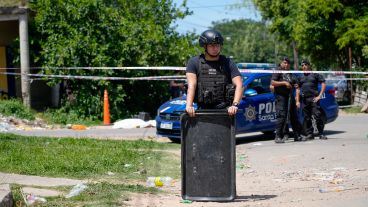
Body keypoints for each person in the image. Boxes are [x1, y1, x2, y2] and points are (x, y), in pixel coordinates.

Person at [185, 29, 243, 117]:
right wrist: (189, 106)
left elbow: (239, 84)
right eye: (212, 45)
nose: (215, 48)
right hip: (202, 110)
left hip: (225, 111)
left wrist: (234, 105)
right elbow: (191, 86)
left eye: (217, 45)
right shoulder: (194, 62)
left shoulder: (228, 62)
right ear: (204, 46)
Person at [271, 57, 305, 143]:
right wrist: (284, 83)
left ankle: (297, 135)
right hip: (281, 97)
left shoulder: (290, 73)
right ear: (281, 63)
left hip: (290, 97)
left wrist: (297, 100)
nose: (286, 64)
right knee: (282, 116)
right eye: (284, 63)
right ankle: (278, 136)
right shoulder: (278, 71)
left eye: (287, 63)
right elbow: (273, 83)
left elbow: (297, 87)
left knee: (294, 116)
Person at [296, 59, 327, 140]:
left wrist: (319, 96)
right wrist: (297, 101)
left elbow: (323, 83)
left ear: (309, 65)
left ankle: (321, 133)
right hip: (305, 100)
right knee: (307, 117)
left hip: (314, 99)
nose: (304, 67)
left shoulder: (315, 74)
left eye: (305, 65)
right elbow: (298, 89)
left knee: (318, 116)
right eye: (302, 65)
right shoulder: (300, 77)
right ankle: (310, 134)